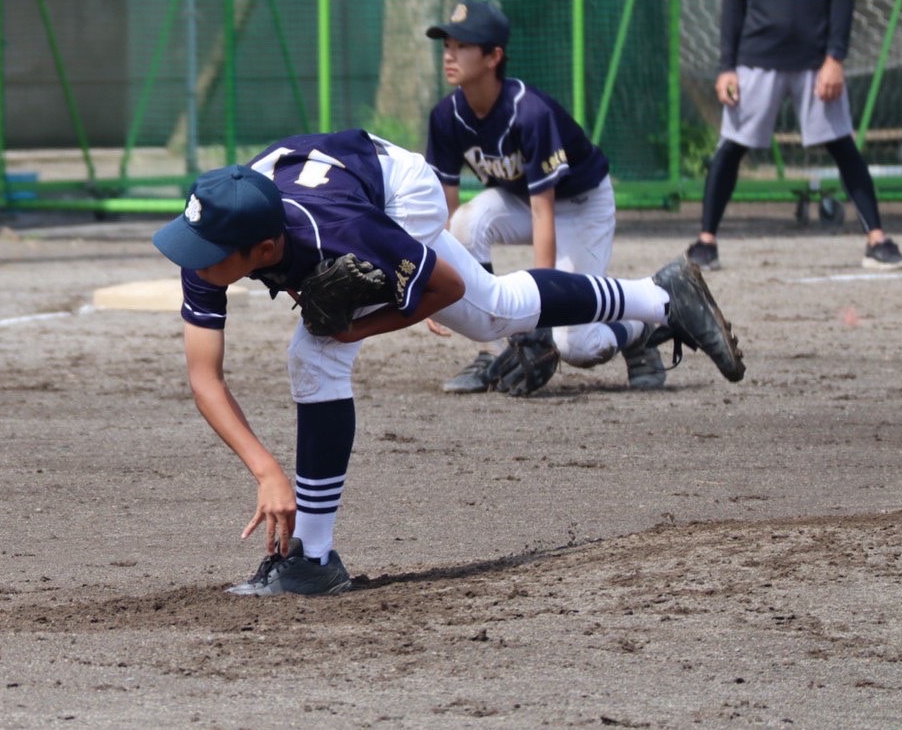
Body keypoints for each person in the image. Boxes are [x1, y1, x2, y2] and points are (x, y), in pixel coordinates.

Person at [152, 129, 746, 596]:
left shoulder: (343, 235)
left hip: (395, 192)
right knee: (498, 313)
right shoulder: (216, 229)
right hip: (335, 183)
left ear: (260, 253)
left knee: (317, 354)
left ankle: (310, 558)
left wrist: (354, 324)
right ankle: (661, 297)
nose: (193, 260)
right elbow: (204, 376)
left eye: (206, 256)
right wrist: (266, 471)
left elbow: (443, 289)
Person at [423, 0, 665, 394]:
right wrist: (433, 285)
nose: (450, 54)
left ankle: (639, 328)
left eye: (463, 45)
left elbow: (543, 213)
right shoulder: (446, 117)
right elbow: (444, 212)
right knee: (468, 222)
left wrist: (541, 314)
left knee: (575, 345)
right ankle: (491, 353)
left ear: (493, 56)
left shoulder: (529, 113)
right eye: (447, 44)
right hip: (519, 200)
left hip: (583, 205)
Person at [689, 0, 902, 271]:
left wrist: (835, 59)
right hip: (755, 59)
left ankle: (878, 240)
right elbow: (733, 1)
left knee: (842, 145)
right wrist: (726, 67)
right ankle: (706, 241)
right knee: (731, 148)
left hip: (814, 62)